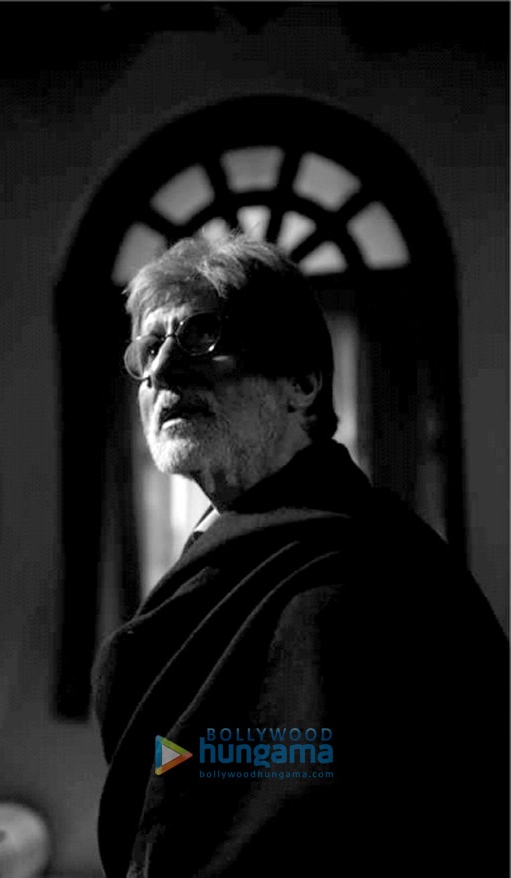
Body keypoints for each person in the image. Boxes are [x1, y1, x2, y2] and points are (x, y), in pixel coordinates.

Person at [93, 234, 508, 877]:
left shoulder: (360, 579)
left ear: (301, 382)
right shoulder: (231, 545)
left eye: (201, 335)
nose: (163, 370)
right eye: (149, 348)